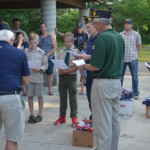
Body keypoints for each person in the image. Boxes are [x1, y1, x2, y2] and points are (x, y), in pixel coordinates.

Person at [78, 8, 125, 150]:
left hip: (103, 84)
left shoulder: (103, 37)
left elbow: (95, 66)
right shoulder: (118, 36)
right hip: (116, 82)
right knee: (114, 121)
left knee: (102, 124)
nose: (93, 26)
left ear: (100, 22)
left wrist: (83, 67)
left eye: (94, 23)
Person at [0, 23, 30, 150]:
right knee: (12, 139)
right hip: (11, 97)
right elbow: (26, 80)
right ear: (12, 40)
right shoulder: (19, 53)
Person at [54, 32, 80, 127]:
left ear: (73, 41)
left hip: (71, 77)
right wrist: (59, 69)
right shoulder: (62, 52)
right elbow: (59, 63)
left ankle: (74, 117)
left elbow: (77, 67)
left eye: (68, 42)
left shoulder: (76, 52)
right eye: (65, 42)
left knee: (72, 98)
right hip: (62, 77)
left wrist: (65, 71)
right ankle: (62, 117)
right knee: (62, 97)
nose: (66, 44)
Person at [78, 16, 99, 121]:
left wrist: (88, 57)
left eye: (89, 27)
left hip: (96, 73)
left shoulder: (100, 38)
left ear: (95, 26)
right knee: (89, 98)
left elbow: (100, 57)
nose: (88, 30)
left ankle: (96, 117)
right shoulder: (90, 39)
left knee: (95, 99)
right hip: (88, 72)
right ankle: (93, 115)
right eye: (86, 28)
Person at [26, 33, 48, 123]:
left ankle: (40, 114)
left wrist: (40, 68)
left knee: (40, 96)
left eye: (34, 42)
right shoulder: (26, 53)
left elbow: (46, 64)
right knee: (30, 96)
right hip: (29, 77)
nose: (33, 44)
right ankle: (31, 114)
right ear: (29, 42)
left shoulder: (42, 52)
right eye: (31, 43)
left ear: (38, 42)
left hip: (38, 77)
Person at [120, 19, 142, 99]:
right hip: (122, 59)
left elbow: (139, 45)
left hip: (133, 59)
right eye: (125, 23)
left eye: (129, 23)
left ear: (132, 25)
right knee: (120, 76)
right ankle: (118, 92)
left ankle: (136, 93)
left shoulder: (136, 34)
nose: (127, 25)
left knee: (135, 77)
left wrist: (135, 53)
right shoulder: (121, 34)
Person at [38, 23, 57, 95]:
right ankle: (40, 89)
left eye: (43, 27)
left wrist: (48, 54)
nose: (42, 29)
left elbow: (55, 47)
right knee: (40, 73)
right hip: (40, 57)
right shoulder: (38, 37)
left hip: (49, 57)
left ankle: (50, 89)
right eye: (41, 27)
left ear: (46, 28)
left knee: (49, 73)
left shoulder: (51, 36)